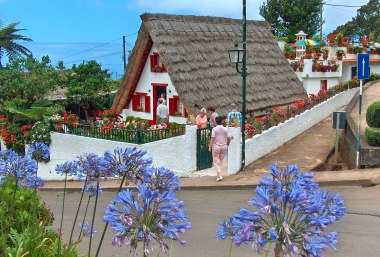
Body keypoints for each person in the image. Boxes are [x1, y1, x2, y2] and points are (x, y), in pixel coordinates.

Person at [209, 116, 231, 181]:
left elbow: (212, 138)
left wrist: (210, 146)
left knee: (216, 161)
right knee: (220, 161)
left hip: (216, 147)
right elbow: (229, 137)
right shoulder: (225, 129)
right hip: (224, 147)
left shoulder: (214, 129)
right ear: (222, 121)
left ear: (215, 121)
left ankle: (220, 175)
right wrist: (228, 143)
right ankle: (218, 175)